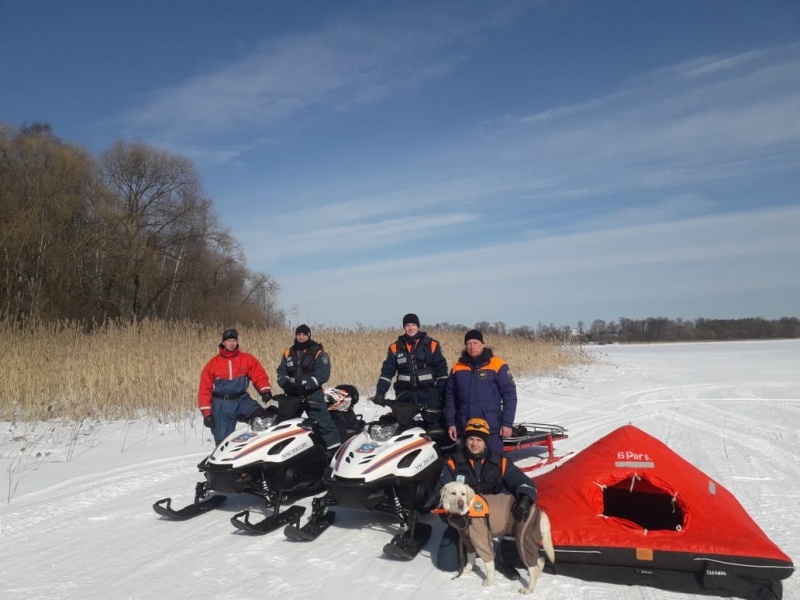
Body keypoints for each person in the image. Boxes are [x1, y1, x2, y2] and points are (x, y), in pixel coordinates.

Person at [434, 417, 537, 573]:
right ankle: (474, 546)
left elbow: (521, 481)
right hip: (462, 521)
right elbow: (440, 493)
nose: (475, 444)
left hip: (493, 518)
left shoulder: (499, 461)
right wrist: (447, 514)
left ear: (486, 442)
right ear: (465, 440)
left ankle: (495, 548)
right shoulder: (453, 462)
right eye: (471, 439)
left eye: (479, 440)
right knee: (447, 564)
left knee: (519, 558)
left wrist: (525, 498)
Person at [444, 329, 517, 454]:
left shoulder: (497, 365)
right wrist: (451, 423)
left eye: (475, 343)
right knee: (465, 465)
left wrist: (507, 423)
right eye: (469, 343)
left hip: (491, 427)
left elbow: (509, 395)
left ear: (483, 344)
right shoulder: (458, 367)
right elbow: (450, 397)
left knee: (493, 464)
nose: (472, 347)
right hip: (466, 426)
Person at [373, 313, 448, 430]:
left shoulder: (432, 345)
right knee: (400, 429)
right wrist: (380, 392)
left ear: (418, 326)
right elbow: (387, 372)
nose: (410, 328)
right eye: (407, 325)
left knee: (436, 428)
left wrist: (442, 394)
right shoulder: (395, 348)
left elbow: (442, 372)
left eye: (413, 324)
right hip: (405, 395)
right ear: (404, 327)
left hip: (428, 395)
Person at [197, 328, 273, 445]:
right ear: (223, 343)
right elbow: (204, 389)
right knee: (223, 441)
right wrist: (207, 413)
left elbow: (259, 374)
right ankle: (224, 461)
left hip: (241, 400)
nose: (232, 344)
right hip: (222, 404)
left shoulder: (246, 359)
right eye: (229, 341)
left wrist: (265, 390)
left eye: (234, 340)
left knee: (263, 417)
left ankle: (256, 450)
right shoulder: (213, 364)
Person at [276, 324, 340, 452]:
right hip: (293, 395)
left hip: (312, 395)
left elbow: (323, 374)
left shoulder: (319, 353)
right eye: (299, 335)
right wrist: (286, 384)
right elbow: (281, 372)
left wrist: (307, 386)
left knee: (324, 425)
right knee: (286, 426)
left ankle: (334, 452)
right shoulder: (288, 352)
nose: (301, 337)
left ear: (309, 336)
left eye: (304, 335)